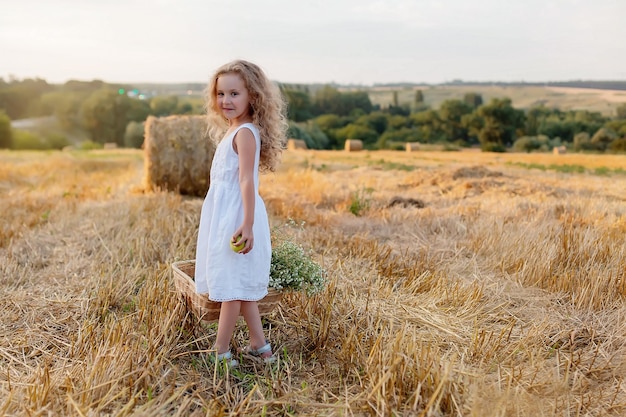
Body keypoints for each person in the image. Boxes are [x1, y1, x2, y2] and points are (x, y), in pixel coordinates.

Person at [194, 60, 288, 367]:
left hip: (238, 215)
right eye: (221, 94)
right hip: (228, 213)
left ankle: (220, 351)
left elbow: (247, 180)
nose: (226, 101)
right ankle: (260, 347)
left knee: (231, 288)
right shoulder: (234, 130)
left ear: (253, 96)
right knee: (240, 286)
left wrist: (246, 224)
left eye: (235, 93)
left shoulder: (246, 133)